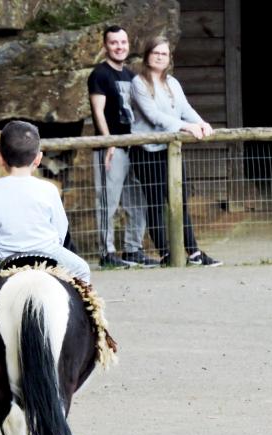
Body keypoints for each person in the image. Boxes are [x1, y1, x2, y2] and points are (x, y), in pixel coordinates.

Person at [0, 120, 91, 302]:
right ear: (38, 158)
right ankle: (90, 320)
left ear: (0, 158)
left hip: (3, 255)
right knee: (82, 269)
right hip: (46, 252)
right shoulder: (49, 188)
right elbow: (61, 230)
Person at [130, 36, 222, 267]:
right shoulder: (139, 83)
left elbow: (185, 108)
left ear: (169, 58)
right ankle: (166, 253)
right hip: (146, 151)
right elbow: (153, 116)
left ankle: (193, 252)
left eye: (164, 54)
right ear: (148, 55)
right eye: (156, 53)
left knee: (179, 200)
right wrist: (185, 126)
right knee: (155, 202)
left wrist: (202, 123)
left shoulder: (173, 83)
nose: (160, 57)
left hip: (170, 151)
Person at [88, 25, 158, 269]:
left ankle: (133, 249)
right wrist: (108, 142)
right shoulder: (100, 74)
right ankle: (106, 253)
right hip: (111, 148)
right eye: (114, 43)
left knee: (137, 200)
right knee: (107, 201)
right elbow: (98, 111)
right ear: (105, 46)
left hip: (132, 147)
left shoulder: (130, 75)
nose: (119, 47)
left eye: (123, 42)